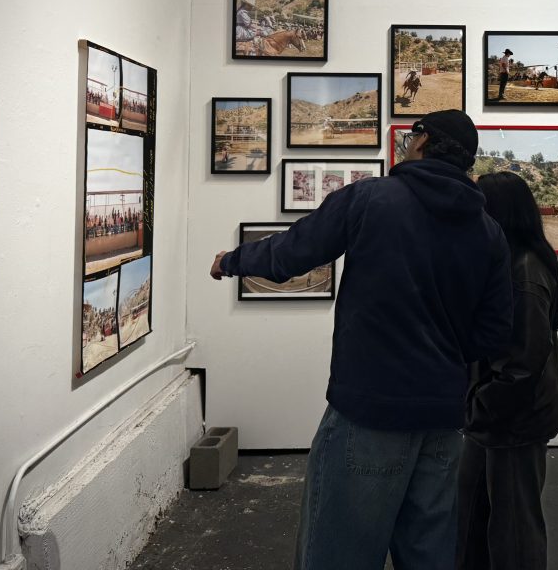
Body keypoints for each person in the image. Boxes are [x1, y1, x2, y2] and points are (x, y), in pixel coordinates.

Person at [210, 110, 514, 570]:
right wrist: (444, 356)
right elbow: (495, 332)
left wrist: (232, 260)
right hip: (443, 421)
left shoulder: (373, 198)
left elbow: (294, 253)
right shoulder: (488, 231)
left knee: (338, 555)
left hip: (369, 414)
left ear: (423, 140)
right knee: (430, 556)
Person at [456, 171, 558, 570]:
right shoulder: (509, 261)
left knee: (515, 529)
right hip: (492, 417)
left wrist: (479, 406)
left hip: (514, 420)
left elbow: (522, 365)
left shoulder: (523, 272)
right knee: (469, 516)